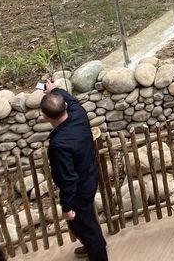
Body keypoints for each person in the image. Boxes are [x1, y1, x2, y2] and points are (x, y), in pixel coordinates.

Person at [40, 82, 107, 261]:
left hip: (79, 191)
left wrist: (67, 206)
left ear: (45, 117)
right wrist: (54, 89)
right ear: (66, 107)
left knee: (86, 229)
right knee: (84, 226)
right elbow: (73, 101)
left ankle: (97, 252)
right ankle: (91, 246)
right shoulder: (79, 116)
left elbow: (67, 179)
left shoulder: (58, 145)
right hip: (90, 176)